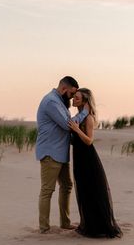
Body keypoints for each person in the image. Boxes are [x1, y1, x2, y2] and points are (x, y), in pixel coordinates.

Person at [35, 76, 89, 234]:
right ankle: (44, 228)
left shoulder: (59, 102)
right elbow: (68, 125)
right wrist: (85, 112)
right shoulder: (52, 102)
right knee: (47, 190)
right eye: (72, 94)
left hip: (59, 152)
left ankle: (65, 222)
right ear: (64, 88)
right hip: (50, 152)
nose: (72, 97)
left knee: (67, 186)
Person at [68, 88, 122, 238]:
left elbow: (89, 140)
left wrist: (77, 130)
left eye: (77, 98)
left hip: (88, 158)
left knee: (92, 190)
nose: (74, 99)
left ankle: (98, 227)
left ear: (84, 101)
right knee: (83, 190)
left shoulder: (88, 118)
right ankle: (88, 224)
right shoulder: (79, 116)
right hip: (79, 157)